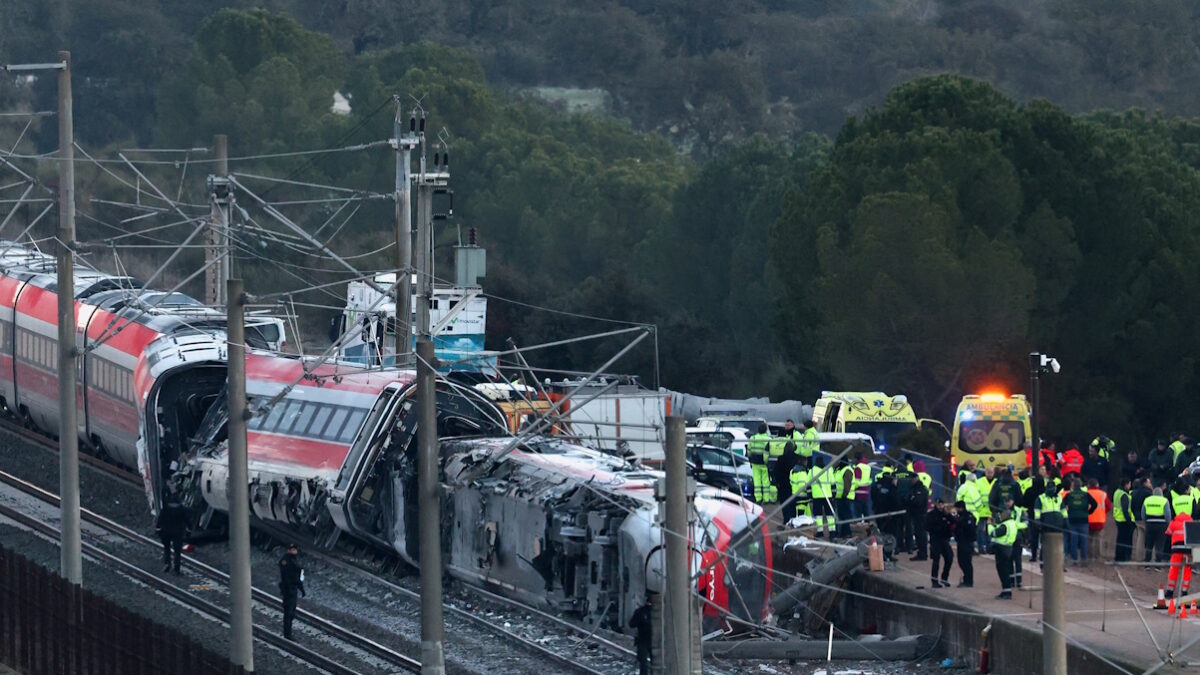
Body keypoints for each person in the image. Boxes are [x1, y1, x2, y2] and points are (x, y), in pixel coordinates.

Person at [1061, 480, 1097, 564]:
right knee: (1084, 540)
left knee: (1074, 540)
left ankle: (1074, 559)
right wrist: (1089, 511)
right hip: (1084, 519)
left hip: (1072, 519)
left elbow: (1061, 505)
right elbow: (1095, 504)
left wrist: (1067, 512)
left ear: (1073, 486)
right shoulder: (1086, 495)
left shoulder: (1069, 495)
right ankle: (1083, 559)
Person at [155, 490, 188, 575]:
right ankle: (177, 569)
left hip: (166, 532)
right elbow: (187, 521)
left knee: (167, 548)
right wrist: (189, 530)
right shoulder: (182, 509)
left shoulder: (166, 508)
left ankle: (167, 564)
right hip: (178, 532)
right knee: (177, 551)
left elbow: (160, 519)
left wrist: (158, 529)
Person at [989, 508, 1019, 599]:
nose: (1000, 516)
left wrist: (989, 525)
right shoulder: (1012, 523)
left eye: (1001, 514)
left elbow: (993, 533)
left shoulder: (1005, 525)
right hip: (1008, 548)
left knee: (1003, 572)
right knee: (1005, 571)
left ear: (1006, 515)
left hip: (1001, 549)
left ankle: (1007, 592)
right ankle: (1006, 591)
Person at [279, 543, 307, 640]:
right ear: (288, 550)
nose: (294, 551)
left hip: (293, 589)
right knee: (288, 612)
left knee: (291, 612)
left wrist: (301, 589)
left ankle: (288, 633)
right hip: (288, 589)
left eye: (295, 549)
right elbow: (287, 576)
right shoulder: (286, 561)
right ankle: (287, 634)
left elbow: (297, 577)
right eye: (292, 549)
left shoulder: (293, 561)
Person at [1166, 510, 1195, 600]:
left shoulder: (1174, 522)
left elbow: (1168, 534)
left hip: (1176, 549)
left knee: (1174, 568)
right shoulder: (1191, 523)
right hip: (1188, 549)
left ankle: (1170, 591)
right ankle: (1184, 591)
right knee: (1187, 569)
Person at [926, 499, 954, 587]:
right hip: (935, 540)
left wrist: (948, 515)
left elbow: (953, 521)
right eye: (939, 504)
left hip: (944, 540)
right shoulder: (931, 515)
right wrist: (937, 529)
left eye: (942, 504)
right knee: (936, 561)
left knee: (949, 557)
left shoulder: (945, 514)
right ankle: (934, 581)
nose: (940, 506)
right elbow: (927, 526)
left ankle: (944, 578)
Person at [1142, 487, 1170, 564]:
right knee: (1160, 544)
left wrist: (1146, 522)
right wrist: (1168, 524)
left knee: (1149, 544)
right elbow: (1167, 514)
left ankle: (1147, 562)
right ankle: (1158, 563)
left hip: (1149, 524)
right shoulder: (1164, 500)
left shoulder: (1147, 500)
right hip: (1161, 525)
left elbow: (1143, 513)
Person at [772, 441, 799, 521]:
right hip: (794, 484)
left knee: (784, 502)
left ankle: (786, 519)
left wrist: (777, 482)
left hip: (783, 484)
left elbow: (776, 471)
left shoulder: (781, 458)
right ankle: (793, 518)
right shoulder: (797, 458)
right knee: (793, 502)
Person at [747, 424, 773, 504]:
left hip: (755, 462)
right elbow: (770, 452)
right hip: (765, 463)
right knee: (766, 481)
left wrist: (750, 459)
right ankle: (766, 499)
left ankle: (758, 498)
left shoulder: (753, 438)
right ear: (766, 430)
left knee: (757, 481)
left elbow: (749, 450)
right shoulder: (769, 439)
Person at [1086, 478, 1109, 560]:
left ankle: (1089, 556)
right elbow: (1108, 506)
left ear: (1088, 485)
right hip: (1100, 519)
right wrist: (1102, 512)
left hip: (1088, 519)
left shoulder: (1086, 494)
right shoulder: (1103, 494)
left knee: (1089, 539)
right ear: (1097, 485)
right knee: (1098, 539)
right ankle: (1098, 556)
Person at [954, 500, 976, 587]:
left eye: (957, 508)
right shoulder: (961, 516)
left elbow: (969, 529)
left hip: (966, 542)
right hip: (961, 541)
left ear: (961, 508)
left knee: (966, 562)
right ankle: (966, 579)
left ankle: (969, 581)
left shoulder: (967, 517)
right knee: (961, 561)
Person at [908, 475, 930, 561]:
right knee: (919, 534)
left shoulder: (920, 489)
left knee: (921, 535)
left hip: (920, 515)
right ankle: (921, 553)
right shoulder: (916, 488)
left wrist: (911, 499)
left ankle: (922, 554)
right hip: (918, 515)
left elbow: (918, 502)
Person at [1113, 477, 1135, 563]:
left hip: (1118, 518)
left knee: (1120, 539)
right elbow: (1125, 510)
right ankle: (1123, 557)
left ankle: (1118, 556)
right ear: (1126, 484)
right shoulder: (1124, 495)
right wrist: (1129, 521)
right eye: (1129, 484)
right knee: (1124, 539)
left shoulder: (1117, 492)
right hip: (1124, 520)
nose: (1130, 486)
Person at [630, 597, 653, 675]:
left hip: (643, 639)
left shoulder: (640, 611)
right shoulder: (658, 612)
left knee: (643, 662)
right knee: (655, 662)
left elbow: (632, 624)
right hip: (654, 640)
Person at [789, 457, 812, 521]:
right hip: (802, 497)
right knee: (801, 517)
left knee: (800, 515)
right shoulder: (802, 473)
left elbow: (791, 482)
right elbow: (802, 486)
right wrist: (809, 491)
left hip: (795, 495)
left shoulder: (792, 471)